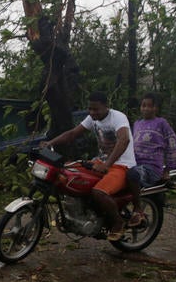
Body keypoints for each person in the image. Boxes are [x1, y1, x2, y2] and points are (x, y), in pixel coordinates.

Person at [41, 92, 135, 240]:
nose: (92, 112)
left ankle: (118, 222)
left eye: (96, 109)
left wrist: (107, 164)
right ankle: (82, 211)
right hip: (100, 162)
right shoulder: (93, 118)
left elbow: (124, 140)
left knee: (99, 192)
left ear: (106, 106)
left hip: (121, 165)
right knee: (65, 171)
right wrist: (50, 143)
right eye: (90, 109)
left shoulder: (118, 117)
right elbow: (72, 133)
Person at [126, 93, 176, 227]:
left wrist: (168, 169)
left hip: (151, 167)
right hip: (136, 164)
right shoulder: (137, 123)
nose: (145, 109)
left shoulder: (161, 123)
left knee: (132, 175)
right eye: (143, 105)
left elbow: (174, 144)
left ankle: (137, 211)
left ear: (155, 108)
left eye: (149, 106)